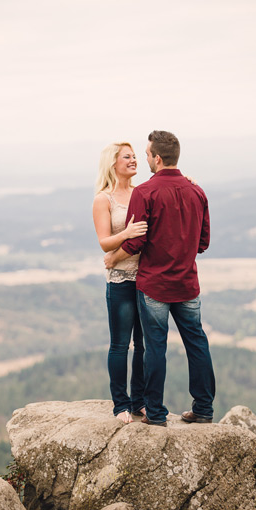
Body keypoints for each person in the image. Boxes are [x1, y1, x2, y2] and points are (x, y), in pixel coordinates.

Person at [104, 130, 215, 427]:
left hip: (154, 285)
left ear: (157, 157)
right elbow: (203, 243)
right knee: (197, 344)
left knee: (155, 348)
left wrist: (114, 257)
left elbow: (137, 241)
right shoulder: (197, 191)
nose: (145, 159)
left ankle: (155, 413)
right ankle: (203, 408)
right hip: (188, 283)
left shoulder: (145, 192)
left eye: (147, 154)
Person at [91, 142, 148, 424]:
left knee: (144, 345)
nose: (134, 160)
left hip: (147, 279)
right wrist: (126, 232)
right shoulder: (104, 199)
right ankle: (120, 405)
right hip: (120, 281)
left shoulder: (141, 192)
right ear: (113, 163)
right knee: (120, 345)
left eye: (135, 156)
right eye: (127, 156)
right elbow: (104, 243)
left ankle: (140, 402)